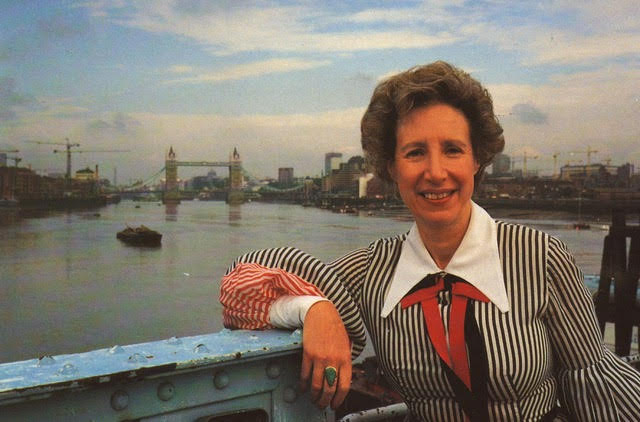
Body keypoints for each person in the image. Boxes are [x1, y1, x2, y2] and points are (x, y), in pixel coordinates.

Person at [220, 61, 640, 421]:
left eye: (453, 149)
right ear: (392, 167)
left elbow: (593, 382)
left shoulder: (540, 256)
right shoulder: (371, 271)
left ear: (477, 160)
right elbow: (240, 286)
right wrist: (315, 309)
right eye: (415, 152)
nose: (435, 172)